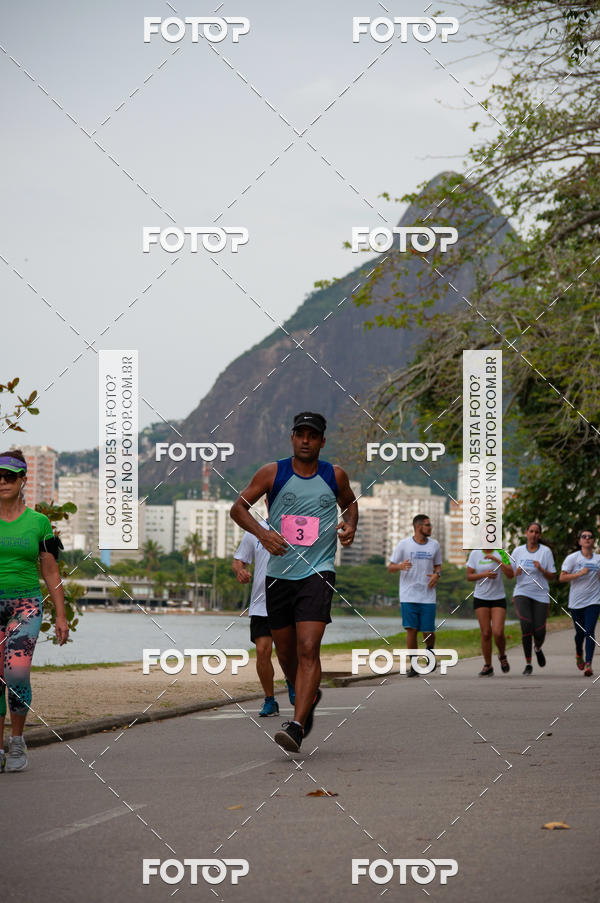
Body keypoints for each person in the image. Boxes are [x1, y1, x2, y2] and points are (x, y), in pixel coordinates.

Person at [230, 412, 357, 752]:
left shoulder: (335, 475)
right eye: (300, 434)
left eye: (312, 436)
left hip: (318, 572)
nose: (305, 440)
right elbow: (238, 508)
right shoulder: (273, 473)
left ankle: (297, 726)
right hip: (279, 577)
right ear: (292, 438)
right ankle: (305, 692)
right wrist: (263, 533)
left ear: (321, 442)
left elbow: (351, 503)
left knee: (308, 647)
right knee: (285, 652)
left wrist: (351, 526)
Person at [0, 449, 68, 772]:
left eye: (9, 476)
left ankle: (16, 741)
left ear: (23, 480)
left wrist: (61, 616)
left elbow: (51, 571)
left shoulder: (39, 523)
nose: (2, 482)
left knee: (16, 672)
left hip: (25, 605)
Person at [232, 522, 295, 715]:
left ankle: (292, 682)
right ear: (267, 503)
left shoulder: (295, 526)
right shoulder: (254, 530)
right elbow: (239, 560)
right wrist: (240, 571)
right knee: (262, 651)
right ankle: (270, 700)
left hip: (288, 601)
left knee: (288, 651)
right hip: (261, 604)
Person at [387, 515, 442, 677]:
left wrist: (437, 575)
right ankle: (414, 664)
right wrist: (399, 566)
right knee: (411, 630)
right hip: (408, 595)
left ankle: (430, 653)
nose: (430, 528)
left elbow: (438, 566)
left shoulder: (435, 545)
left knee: (428, 631)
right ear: (418, 527)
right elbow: (390, 567)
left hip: (428, 595)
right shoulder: (404, 545)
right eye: (427, 525)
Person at [506, 522, 556, 675]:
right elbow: (510, 574)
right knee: (526, 626)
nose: (533, 534)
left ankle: (538, 648)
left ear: (539, 535)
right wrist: (517, 572)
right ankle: (528, 663)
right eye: (531, 531)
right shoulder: (518, 551)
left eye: (536, 532)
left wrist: (541, 569)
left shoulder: (545, 552)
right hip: (522, 592)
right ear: (526, 533)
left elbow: (553, 576)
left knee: (540, 631)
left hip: (541, 594)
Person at [559, 529, 600, 676]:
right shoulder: (572, 558)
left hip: (594, 601)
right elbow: (561, 578)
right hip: (576, 602)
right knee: (579, 635)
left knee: (589, 632)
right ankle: (578, 653)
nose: (587, 539)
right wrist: (579, 574)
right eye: (584, 536)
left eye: (590, 537)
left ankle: (588, 664)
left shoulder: (598, 559)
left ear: (593, 541)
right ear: (580, 541)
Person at [466, 549, 513, 675]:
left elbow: (510, 574)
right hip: (481, 597)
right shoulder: (474, 553)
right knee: (486, 633)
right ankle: (488, 665)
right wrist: (483, 575)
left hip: (498, 597)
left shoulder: (502, 553)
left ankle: (502, 656)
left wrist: (496, 559)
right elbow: (469, 576)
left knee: (498, 632)